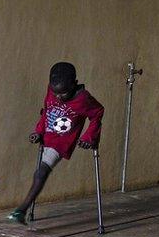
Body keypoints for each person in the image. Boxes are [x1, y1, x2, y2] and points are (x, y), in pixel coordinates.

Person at [9, 62, 104, 224]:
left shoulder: (83, 99)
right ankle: (22, 210)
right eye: (55, 93)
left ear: (74, 84)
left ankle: (21, 210)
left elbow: (98, 113)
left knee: (42, 172)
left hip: (62, 141)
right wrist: (38, 131)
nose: (59, 97)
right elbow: (46, 110)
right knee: (40, 172)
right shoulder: (53, 90)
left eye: (64, 93)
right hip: (47, 135)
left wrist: (89, 137)